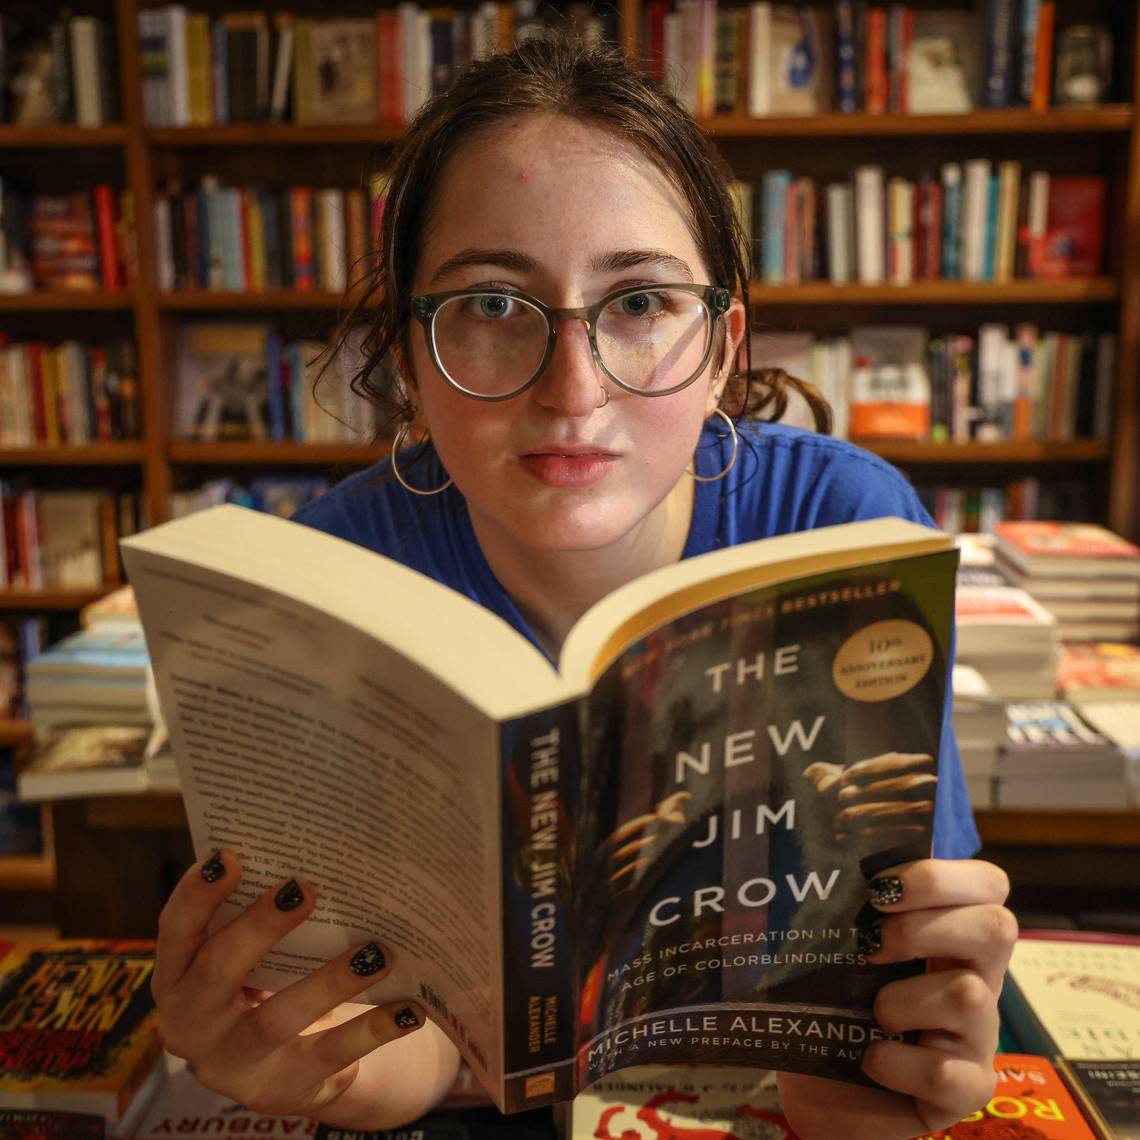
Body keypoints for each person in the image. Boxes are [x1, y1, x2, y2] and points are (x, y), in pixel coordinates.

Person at [152, 35, 1017, 1138]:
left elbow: (905, 987)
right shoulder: (340, 578)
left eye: (642, 302)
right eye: (494, 306)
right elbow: (405, 1034)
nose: (573, 389)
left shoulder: (843, 529)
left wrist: (908, 1056)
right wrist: (307, 1068)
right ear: (409, 362)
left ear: (721, 349)